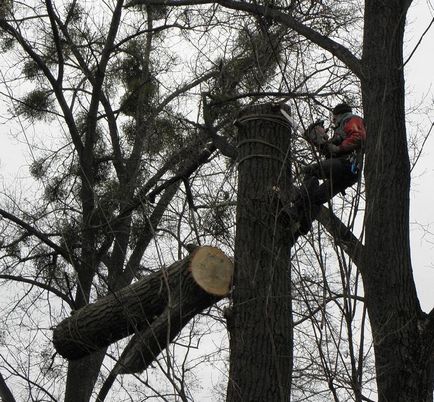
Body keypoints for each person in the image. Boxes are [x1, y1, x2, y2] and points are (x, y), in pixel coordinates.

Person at [288, 102, 366, 234]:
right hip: (346, 172)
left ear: (338, 115)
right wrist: (323, 145)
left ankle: (295, 210)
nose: (333, 121)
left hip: (346, 164)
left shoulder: (351, 120)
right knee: (317, 198)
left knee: (311, 171)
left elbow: (358, 137)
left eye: (334, 118)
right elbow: (332, 150)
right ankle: (302, 226)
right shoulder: (340, 130)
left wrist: (337, 147)